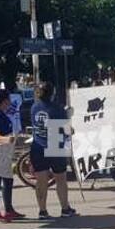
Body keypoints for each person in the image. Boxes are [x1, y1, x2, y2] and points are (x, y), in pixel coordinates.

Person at [30, 82, 77, 219]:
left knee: (41, 180)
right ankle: (65, 208)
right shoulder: (57, 108)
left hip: (38, 144)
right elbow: (65, 129)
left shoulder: (34, 107)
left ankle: (42, 211)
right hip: (55, 141)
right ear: (52, 93)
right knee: (60, 178)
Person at [0, 89, 24, 223]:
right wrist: (7, 140)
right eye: (8, 99)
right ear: (4, 101)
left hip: (4, 152)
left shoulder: (1, 113)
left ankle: (8, 210)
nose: (10, 102)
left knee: (8, 180)